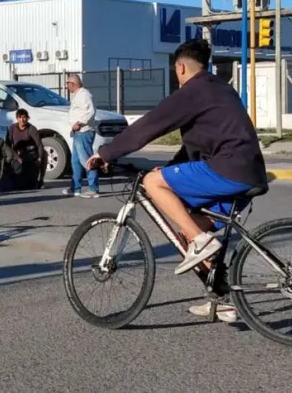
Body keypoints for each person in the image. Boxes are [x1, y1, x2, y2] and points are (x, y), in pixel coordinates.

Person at [87, 39, 267, 323]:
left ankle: (201, 242)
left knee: (152, 183)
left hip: (228, 169)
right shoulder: (221, 89)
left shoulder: (193, 91)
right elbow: (200, 143)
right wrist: (172, 168)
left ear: (180, 67)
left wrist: (105, 152)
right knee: (187, 228)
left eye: (176, 71)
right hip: (248, 172)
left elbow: (149, 126)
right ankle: (221, 300)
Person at [63, 74, 99, 198]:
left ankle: (93, 189)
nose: (67, 86)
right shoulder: (77, 95)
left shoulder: (84, 95)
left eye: (68, 83)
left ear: (74, 84)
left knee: (87, 160)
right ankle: (75, 188)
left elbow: (90, 111)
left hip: (84, 131)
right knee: (75, 161)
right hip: (78, 133)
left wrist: (79, 123)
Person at [4, 108, 46, 190]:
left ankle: (40, 180)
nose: (22, 120)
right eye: (20, 117)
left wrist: (40, 158)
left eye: (24, 117)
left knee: (44, 153)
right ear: (17, 118)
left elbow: (39, 145)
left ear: (27, 118)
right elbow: (7, 146)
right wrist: (16, 157)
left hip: (30, 155)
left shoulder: (32, 129)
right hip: (17, 155)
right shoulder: (12, 128)